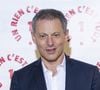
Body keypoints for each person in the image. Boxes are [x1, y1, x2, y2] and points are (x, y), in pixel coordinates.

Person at [10, 9, 100, 90]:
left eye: (56, 35)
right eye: (43, 36)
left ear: (66, 35)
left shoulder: (90, 75)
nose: (50, 43)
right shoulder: (20, 79)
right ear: (34, 38)